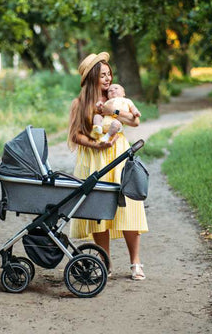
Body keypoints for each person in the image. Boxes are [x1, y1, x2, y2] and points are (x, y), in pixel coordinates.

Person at [67, 52, 148, 281]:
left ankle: (135, 262)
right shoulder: (80, 103)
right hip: (94, 157)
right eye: (103, 75)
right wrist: (96, 144)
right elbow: (75, 136)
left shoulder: (116, 100)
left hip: (119, 155)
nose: (108, 79)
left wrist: (109, 111)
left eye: (109, 74)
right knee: (98, 210)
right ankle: (105, 263)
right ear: (92, 77)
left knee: (129, 206)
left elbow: (134, 121)